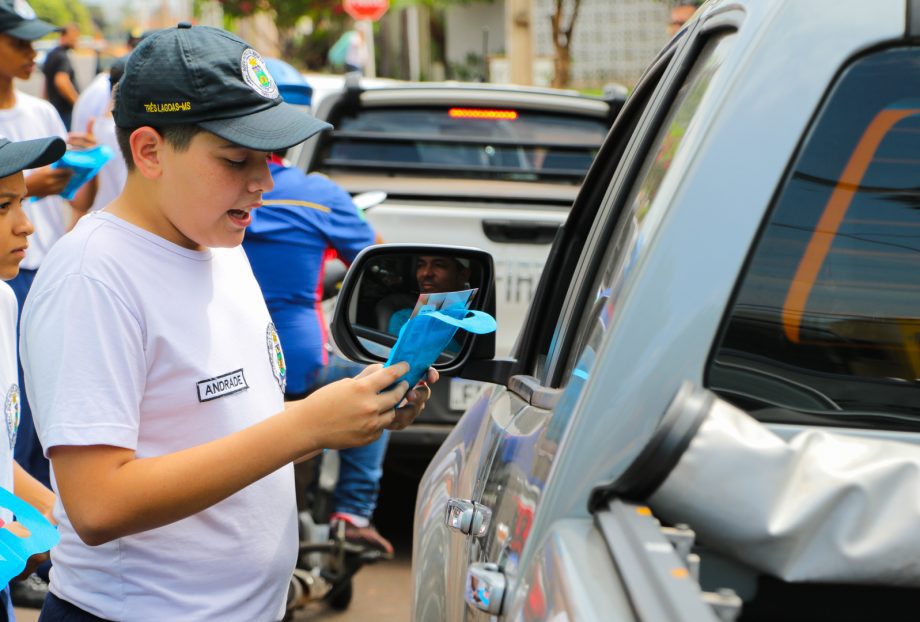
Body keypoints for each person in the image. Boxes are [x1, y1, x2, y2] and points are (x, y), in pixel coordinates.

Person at [20, 24, 435, 620]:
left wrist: (350, 414)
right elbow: (96, 504)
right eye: (236, 160)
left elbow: (222, 429)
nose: (263, 183)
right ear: (149, 151)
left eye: (268, 159)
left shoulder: (219, 245)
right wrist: (306, 429)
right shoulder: (95, 275)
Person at [243, 147, 399, 553]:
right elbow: (374, 257)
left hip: (220, 371)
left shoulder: (198, 193)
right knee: (375, 380)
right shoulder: (317, 193)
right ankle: (353, 514)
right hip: (298, 366)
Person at [0, 135, 65, 622]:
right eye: (4, 207)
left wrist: (61, 520)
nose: (27, 227)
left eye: (25, 202)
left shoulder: (4, 299)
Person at [387, 255, 472, 335]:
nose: (426, 273)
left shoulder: (476, 318)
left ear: (463, 276)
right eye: (420, 265)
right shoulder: (404, 319)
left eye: (439, 265)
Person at [41, 24, 79, 129]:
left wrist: (43, 104)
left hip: (55, 109)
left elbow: (45, 82)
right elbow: (61, 82)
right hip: (65, 111)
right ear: (66, 35)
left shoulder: (51, 54)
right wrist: (79, 104)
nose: (76, 40)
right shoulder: (62, 56)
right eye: (74, 36)